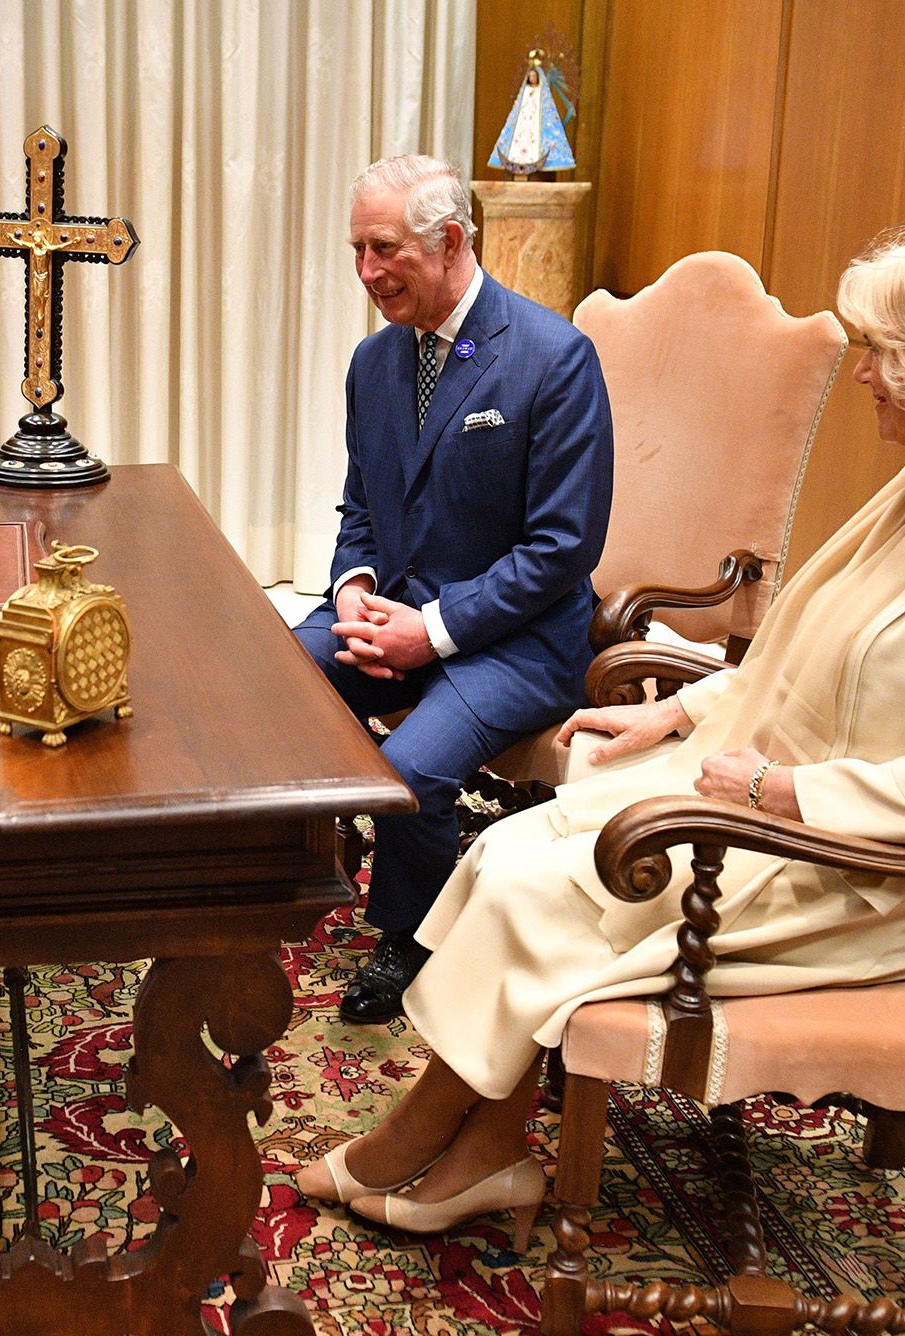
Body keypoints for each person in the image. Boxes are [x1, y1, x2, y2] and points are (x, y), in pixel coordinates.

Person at [292, 214, 905, 1241]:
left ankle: (428, 1136)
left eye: (882, 352)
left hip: (872, 874)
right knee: (509, 848)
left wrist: (775, 792)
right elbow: (813, 654)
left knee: (539, 884)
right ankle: (483, 1146)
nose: (862, 375)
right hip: (786, 801)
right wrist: (685, 710)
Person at [295, 153, 613, 1025]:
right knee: (278, 678)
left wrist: (427, 632)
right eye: (357, 249)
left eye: (385, 249)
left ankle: (411, 935)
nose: (367, 272)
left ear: (451, 241)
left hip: (516, 641)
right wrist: (354, 585)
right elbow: (362, 503)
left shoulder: (552, 359)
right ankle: (294, 872)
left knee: (407, 768)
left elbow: (561, 550)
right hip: (398, 612)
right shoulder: (374, 363)